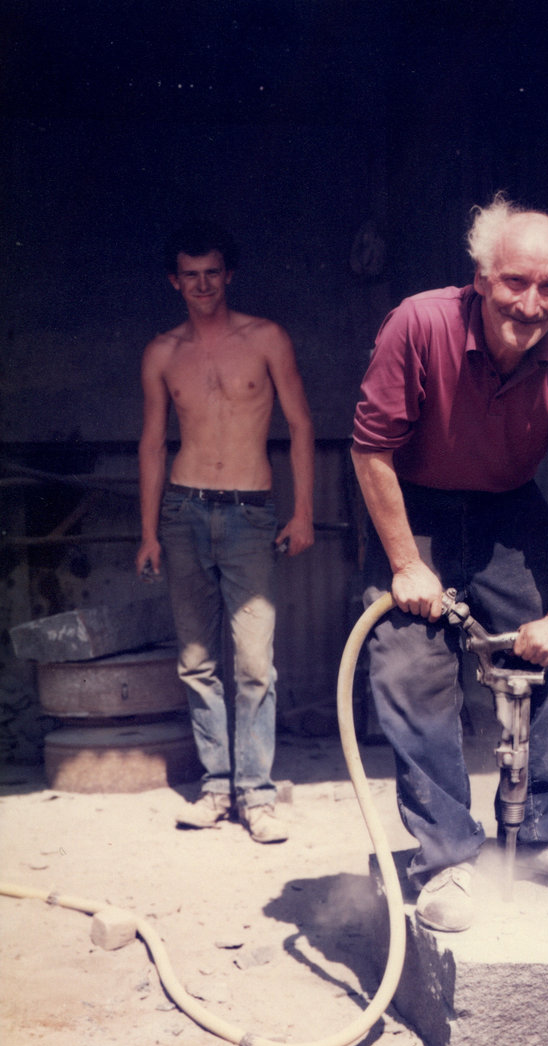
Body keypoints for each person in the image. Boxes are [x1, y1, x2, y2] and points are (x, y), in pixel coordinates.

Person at [351, 194, 548, 930]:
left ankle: (547, 836)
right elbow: (370, 448)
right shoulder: (419, 322)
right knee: (410, 665)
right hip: (413, 503)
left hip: (507, 508)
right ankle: (445, 863)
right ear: (480, 275)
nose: (530, 304)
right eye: (514, 283)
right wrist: (406, 564)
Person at [136, 219, 315, 843]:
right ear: (174, 281)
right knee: (195, 659)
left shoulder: (265, 338)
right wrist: (149, 531)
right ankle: (216, 790)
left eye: (213, 273)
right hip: (183, 513)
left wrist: (303, 512)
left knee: (255, 660)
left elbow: (299, 427)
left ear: (228, 275)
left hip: (249, 511)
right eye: (191, 275)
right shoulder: (162, 352)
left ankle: (256, 796)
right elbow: (154, 444)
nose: (203, 284)